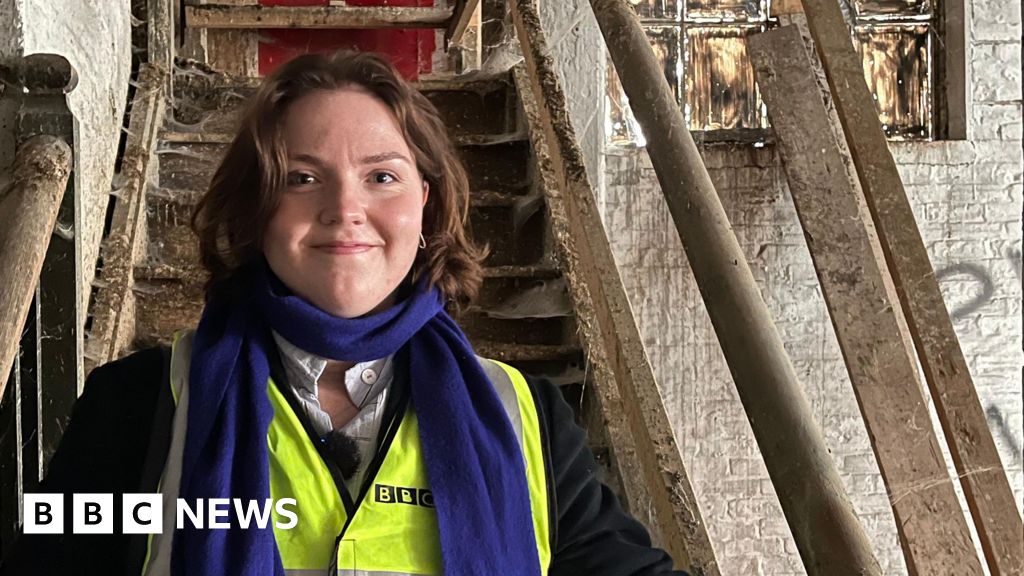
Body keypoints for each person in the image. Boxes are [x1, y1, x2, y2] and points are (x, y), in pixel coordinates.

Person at [0, 51, 687, 576]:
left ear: (425, 202)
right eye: (301, 178)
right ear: (256, 206)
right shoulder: (134, 407)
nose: (344, 209)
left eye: (381, 176)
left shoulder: (527, 419)